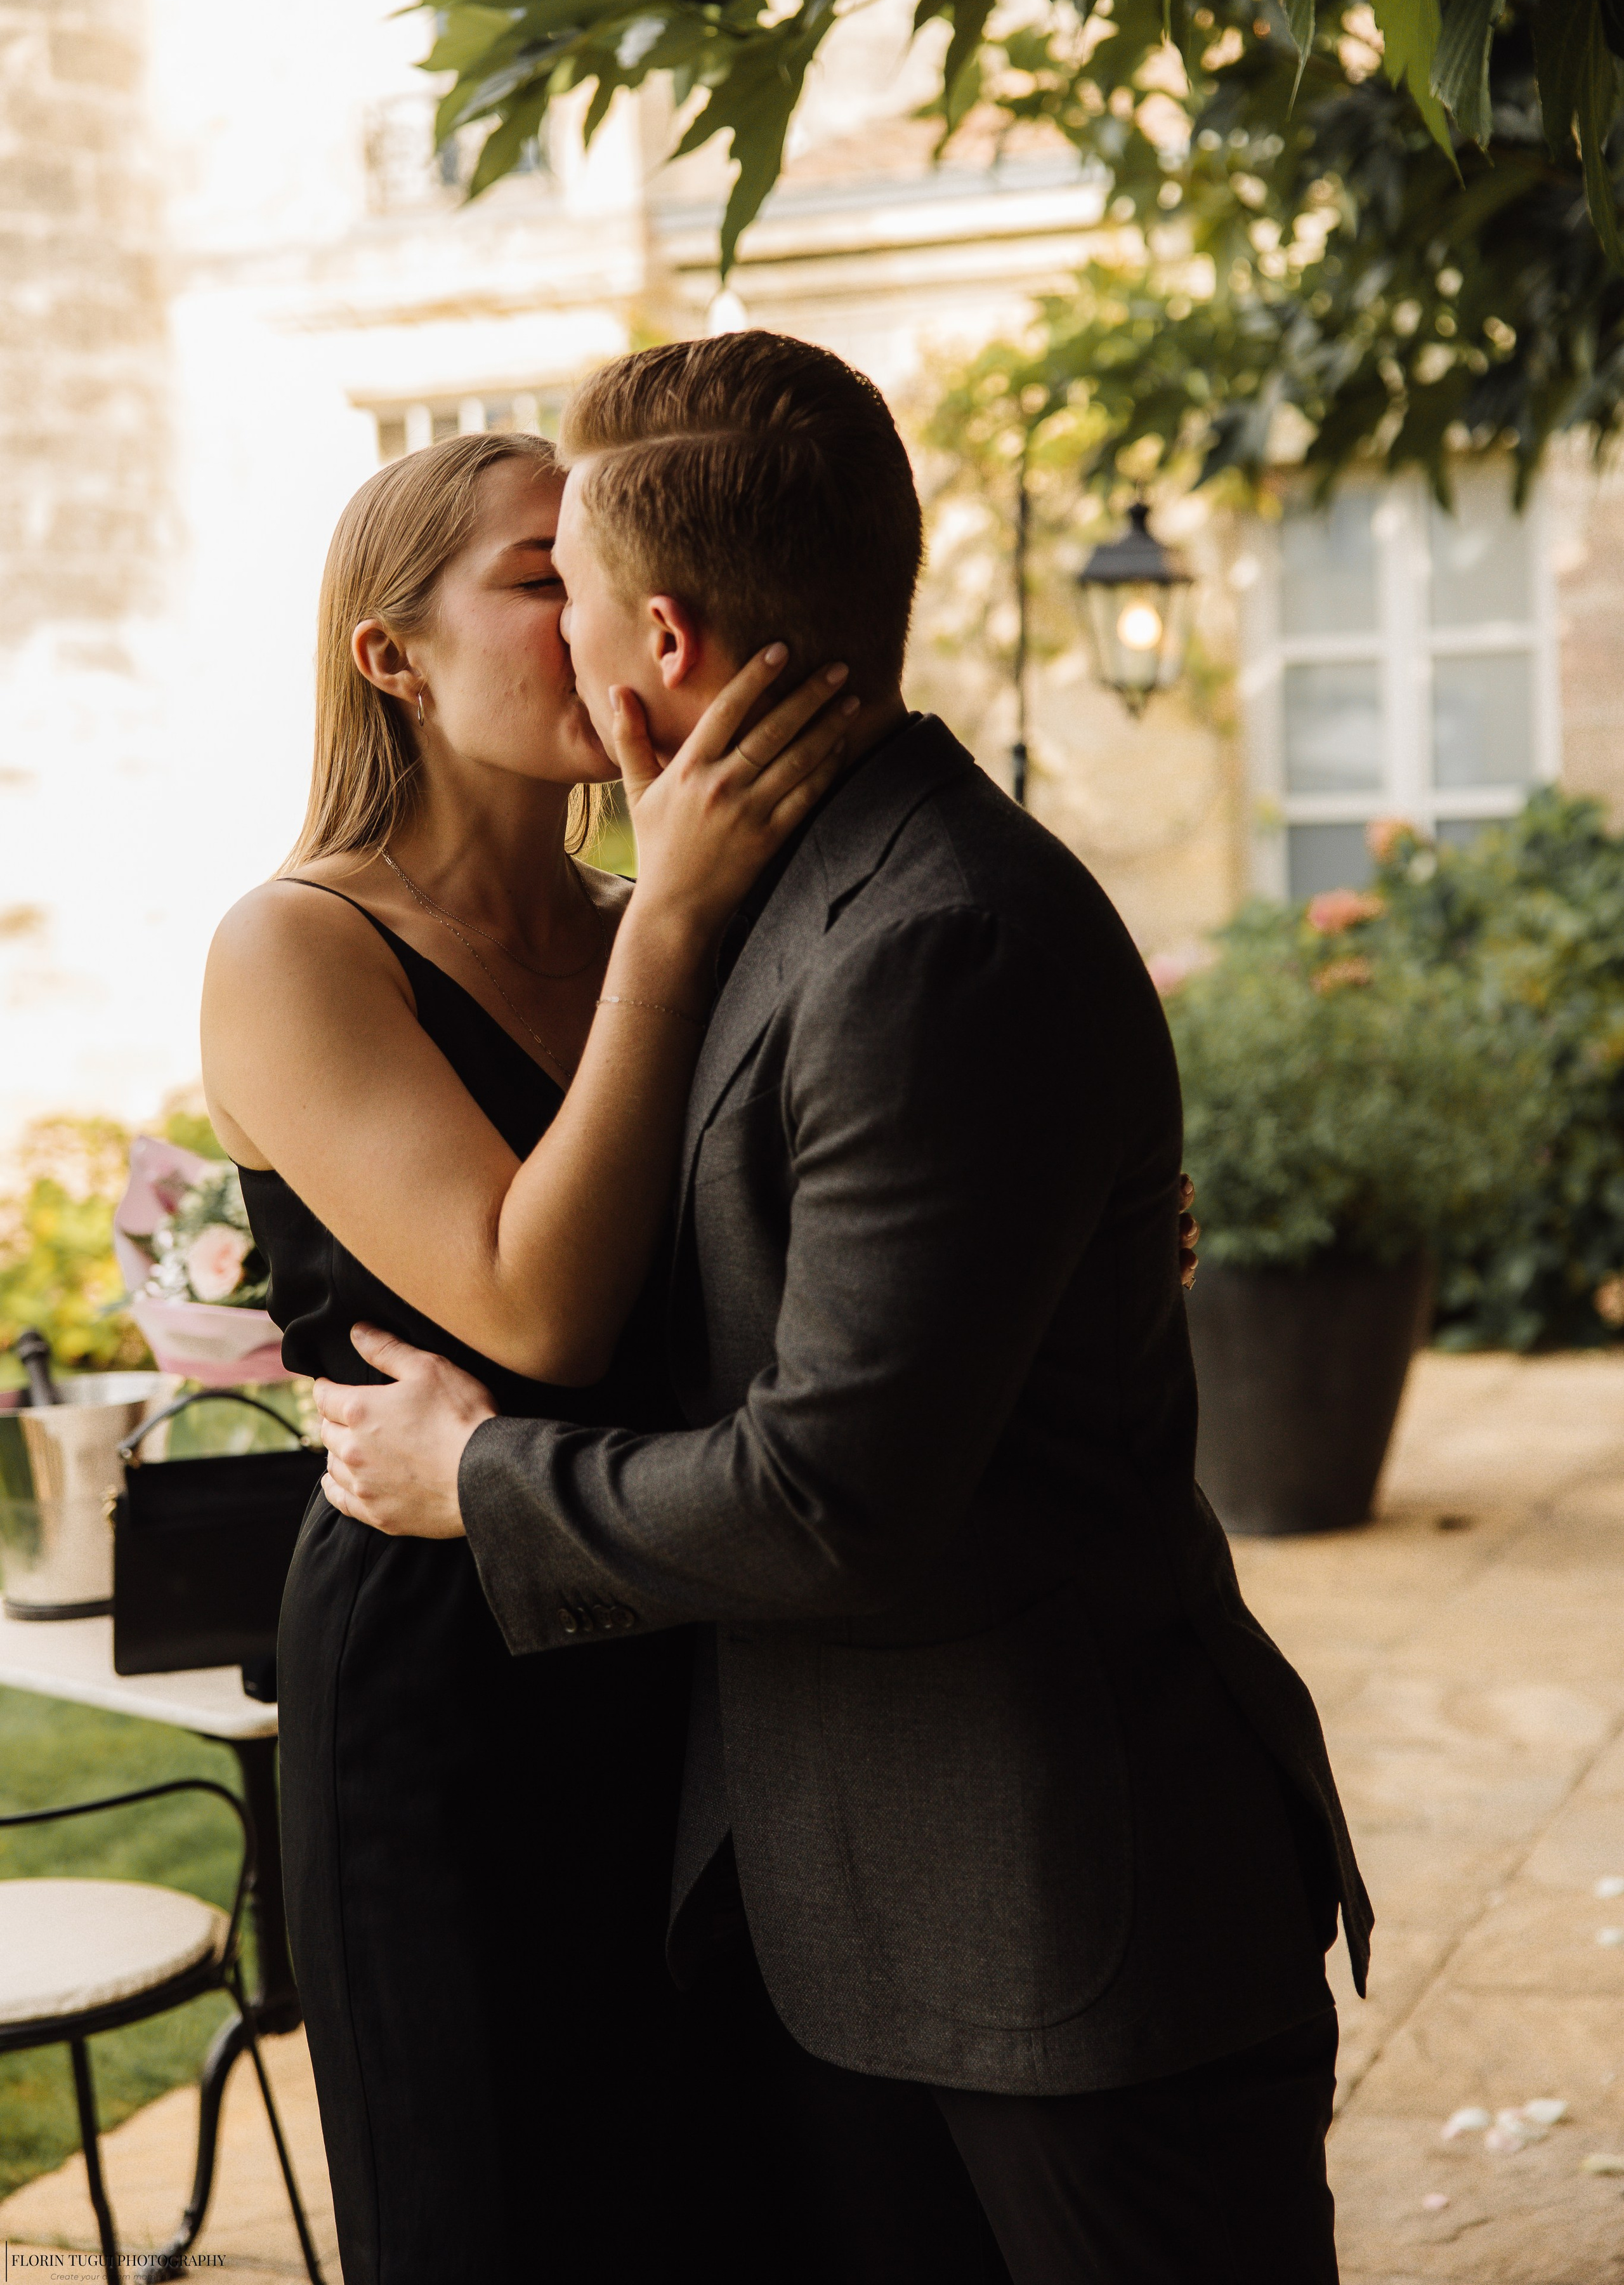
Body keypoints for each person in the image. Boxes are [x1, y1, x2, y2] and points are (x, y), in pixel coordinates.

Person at [316, 333, 1373, 2285]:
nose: (564, 652)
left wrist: (480, 1481)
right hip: (856, 1891)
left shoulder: (928, 936)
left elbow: (830, 1497)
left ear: (666, 638)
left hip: (1056, 1907)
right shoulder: (776, 897)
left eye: (574, 593)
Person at [198, 427, 856, 2284]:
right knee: (501, 2218)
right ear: (388, 658)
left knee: (712, 2206)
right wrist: (680, 914)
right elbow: (537, 1303)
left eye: (599, 570)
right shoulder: (295, 947)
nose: (595, 620)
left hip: (686, 1630)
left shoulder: (644, 921)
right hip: (443, 1685)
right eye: (534, 578)